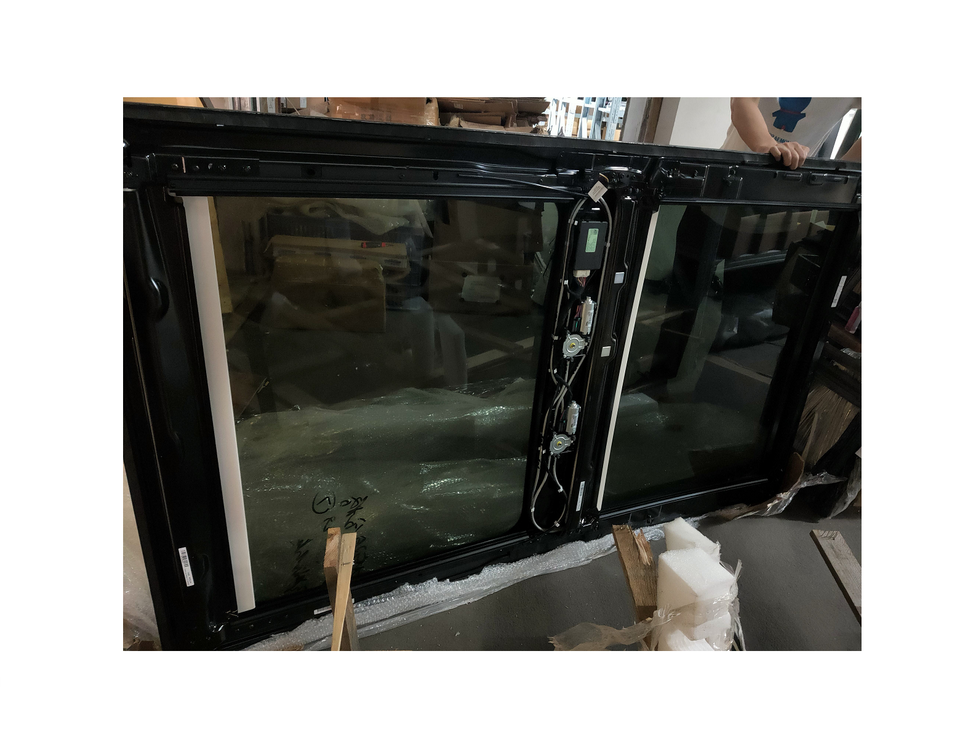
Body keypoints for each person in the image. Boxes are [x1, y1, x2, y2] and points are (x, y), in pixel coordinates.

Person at [723, 97, 861, 169]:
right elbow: (743, 101)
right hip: (731, 169)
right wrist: (769, 146)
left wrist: (840, 172)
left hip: (791, 186)